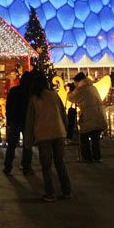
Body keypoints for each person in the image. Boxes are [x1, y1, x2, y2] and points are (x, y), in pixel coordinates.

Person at [24, 73, 71, 202]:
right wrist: (65, 130)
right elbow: (63, 114)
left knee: (46, 166)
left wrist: (28, 141)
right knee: (60, 162)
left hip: (43, 135)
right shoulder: (54, 95)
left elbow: (30, 121)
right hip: (58, 133)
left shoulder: (34, 99)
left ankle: (50, 193)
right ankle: (67, 190)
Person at [66, 72, 107, 162]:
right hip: (99, 115)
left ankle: (87, 157)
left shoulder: (81, 89)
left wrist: (70, 91)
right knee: (95, 138)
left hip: (89, 117)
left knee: (84, 137)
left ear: (77, 81)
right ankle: (97, 157)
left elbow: (71, 98)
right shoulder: (92, 87)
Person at [3, 71, 33, 175]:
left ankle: (8, 166)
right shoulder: (31, 92)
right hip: (27, 120)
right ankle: (26, 165)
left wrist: (9, 120)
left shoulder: (14, 91)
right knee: (27, 144)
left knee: (11, 144)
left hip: (15, 119)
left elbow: (9, 107)